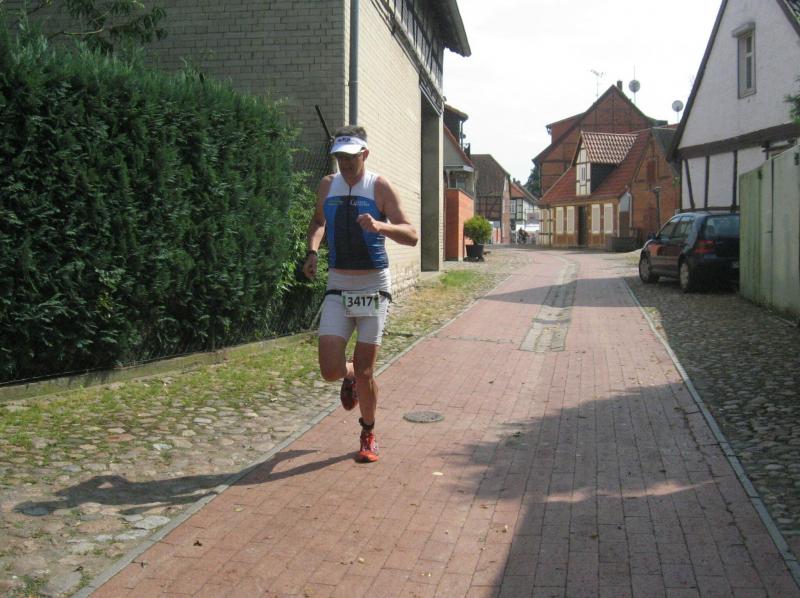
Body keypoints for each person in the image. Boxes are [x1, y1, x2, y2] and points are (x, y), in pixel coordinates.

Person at [302, 125, 418, 463]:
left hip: (372, 287)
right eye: (340, 157)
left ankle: (368, 433)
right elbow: (318, 222)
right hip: (338, 284)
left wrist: (381, 226)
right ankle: (348, 374)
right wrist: (312, 251)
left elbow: (411, 235)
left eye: (351, 157)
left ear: (365, 154)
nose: (346, 163)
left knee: (367, 370)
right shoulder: (328, 184)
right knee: (329, 369)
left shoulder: (379, 186)